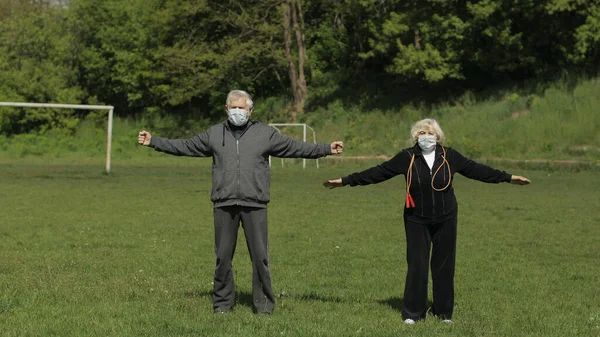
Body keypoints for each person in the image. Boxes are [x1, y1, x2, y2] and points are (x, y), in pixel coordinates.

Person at [138, 90, 344, 315]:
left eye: (241, 108)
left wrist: (325, 149)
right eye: (233, 107)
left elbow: (295, 147)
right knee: (223, 258)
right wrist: (154, 141)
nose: (237, 111)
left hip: (255, 203)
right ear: (226, 110)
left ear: (250, 110)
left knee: (260, 258)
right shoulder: (214, 134)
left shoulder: (265, 134)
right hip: (223, 203)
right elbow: (185, 146)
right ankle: (223, 304)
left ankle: (264, 306)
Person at [323, 118, 530, 324]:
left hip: (446, 218)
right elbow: (378, 172)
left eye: (430, 133)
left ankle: (443, 313)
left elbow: (478, 170)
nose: (426, 137)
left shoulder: (451, 156)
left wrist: (508, 177)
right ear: (415, 136)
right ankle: (413, 313)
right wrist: (345, 181)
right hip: (416, 220)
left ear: (438, 136)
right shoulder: (407, 157)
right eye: (421, 133)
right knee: (417, 266)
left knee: (444, 266)